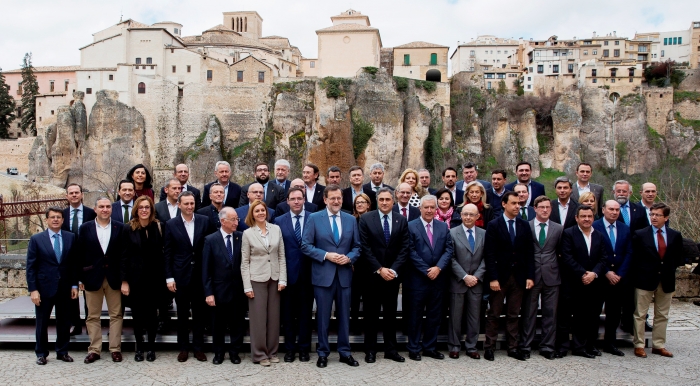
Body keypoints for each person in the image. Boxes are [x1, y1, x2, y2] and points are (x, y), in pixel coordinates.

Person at [301, 184, 361, 368]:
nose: (336, 201)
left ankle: (344, 352)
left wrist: (349, 258)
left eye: (339, 198)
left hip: (344, 276)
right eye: (332, 198)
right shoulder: (314, 218)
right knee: (323, 318)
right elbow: (305, 245)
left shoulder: (350, 219)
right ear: (325, 199)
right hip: (323, 276)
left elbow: (357, 247)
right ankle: (323, 353)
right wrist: (326, 255)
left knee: (344, 317)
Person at [359, 187, 410, 363]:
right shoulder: (366, 219)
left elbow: (405, 248)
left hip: (392, 277)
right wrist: (380, 269)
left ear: (393, 201)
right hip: (373, 276)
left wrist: (393, 270)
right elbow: (364, 247)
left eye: (388, 199)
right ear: (376, 201)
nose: (385, 202)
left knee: (390, 315)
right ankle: (370, 350)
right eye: (381, 200)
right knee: (371, 315)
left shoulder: (401, 220)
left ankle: (391, 350)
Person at [483, 191, 535, 361]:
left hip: (518, 277)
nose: (517, 206)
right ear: (504, 204)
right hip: (500, 277)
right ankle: (489, 347)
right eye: (513, 203)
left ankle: (512, 347)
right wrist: (493, 278)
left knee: (514, 314)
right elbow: (489, 254)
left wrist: (529, 276)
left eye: (519, 203)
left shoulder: (524, 225)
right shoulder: (494, 225)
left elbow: (529, 253)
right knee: (494, 314)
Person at [77, 197, 128, 364]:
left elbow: (123, 256)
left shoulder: (120, 228)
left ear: (111, 209)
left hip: (114, 279)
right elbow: (80, 254)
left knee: (116, 315)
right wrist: (81, 278)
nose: (105, 209)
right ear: (95, 209)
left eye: (108, 206)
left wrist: (123, 279)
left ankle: (115, 349)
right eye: (101, 207)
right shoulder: (85, 228)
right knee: (92, 316)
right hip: (92, 278)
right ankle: (94, 350)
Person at [27, 207, 79, 365]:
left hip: (64, 287)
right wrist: (33, 290)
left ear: (63, 220)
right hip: (43, 288)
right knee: (42, 322)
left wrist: (74, 285)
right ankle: (41, 353)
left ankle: (62, 351)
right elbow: (31, 267)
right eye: (52, 217)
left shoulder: (71, 237)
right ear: (47, 220)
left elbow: (73, 264)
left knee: (64, 322)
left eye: (58, 217)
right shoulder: (37, 239)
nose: (55, 219)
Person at [631, 203, 684, 358]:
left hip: (666, 280)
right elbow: (635, 258)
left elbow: (678, 257)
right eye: (652, 214)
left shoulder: (675, 235)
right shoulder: (640, 234)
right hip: (645, 279)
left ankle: (658, 345)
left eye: (657, 215)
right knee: (640, 314)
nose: (653, 217)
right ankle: (639, 344)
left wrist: (668, 269)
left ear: (666, 218)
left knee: (662, 314)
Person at [405, 195, 454, 361]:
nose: (429, 210)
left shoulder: (442, 227)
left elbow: (448, 250)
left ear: (436, 209)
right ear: (420, 208)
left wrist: (438, 268)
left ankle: (430, 347)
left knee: (435, 315)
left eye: (432, 207)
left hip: (438, 279)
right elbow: (410, 251)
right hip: (418, 280)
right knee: (415, 316)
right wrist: (426, 270)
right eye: (426, 207)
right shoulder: (411, 226)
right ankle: (413, 347)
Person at [164, 191, 210, 363]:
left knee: (199, 314)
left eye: (192, 203)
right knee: (182, 314)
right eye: (186, 204)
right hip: (180, 275)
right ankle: (183, 348)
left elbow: (209, 248)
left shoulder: (204, 221)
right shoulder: (171, 224)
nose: (190, 206)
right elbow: (167, 253)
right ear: (179, 205)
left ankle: (198, 348)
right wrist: (169, 277)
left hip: (200, 275)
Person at [241, 200, 287, 366]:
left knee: (274, 318)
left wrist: (282, 278)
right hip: (256, 280)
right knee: (258, 319)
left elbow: (281, 256)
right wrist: (247, 285)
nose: (260, 213)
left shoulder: (276, 229)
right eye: (257, 211)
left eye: (263, 210)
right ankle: (260, 354)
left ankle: (272, 352)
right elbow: (244, 262)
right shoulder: (247, 234)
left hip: (274, 279)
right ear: (252, 214)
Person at [560, 205, 608, 358]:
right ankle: (575, 347)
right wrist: (583, 273)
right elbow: (567, 257)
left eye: (589, 216)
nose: (586, 219)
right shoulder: (568, 234)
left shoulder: (599, 235)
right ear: (576, 218)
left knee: (591, 317)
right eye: (583, 216)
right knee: (571, 317)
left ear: (593, 218)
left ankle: (590, 345)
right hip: (574, 283)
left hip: (594, 283)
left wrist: (594, 274)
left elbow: (603, 258)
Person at [519, 196, 563, 360]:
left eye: (548, 207)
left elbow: (560, 252)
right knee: (529, 313)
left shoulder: (558, 228)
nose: (545, 210)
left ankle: (547, 346)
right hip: (532, 275)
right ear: (535, 208)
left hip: (552, 275)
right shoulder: (526, 226)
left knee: (550, 313)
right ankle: (525, 345)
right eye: (542, 207)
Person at [274, 187, 314, 363]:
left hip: (309, 274)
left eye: (299, 198)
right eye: (293, 199)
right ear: (287, 201)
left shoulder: (314, 219)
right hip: (287, 275)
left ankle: (304, 349)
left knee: (306, 315)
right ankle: (289, 349)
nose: (296, 201)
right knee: (288, 316)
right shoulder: (278, 221)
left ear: (304, 200)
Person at [123, 196, 165, 362]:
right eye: (141, 207)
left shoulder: (159, 226)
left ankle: (151, 348)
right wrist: (124, 280)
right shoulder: (128, 229)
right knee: (138, 316)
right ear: (136, 210)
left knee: (152, 317)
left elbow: (163, 254)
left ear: (151, 209)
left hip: (155, 279)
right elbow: (124, 256)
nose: (144, 210)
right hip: (136, 280)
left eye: (147, 207)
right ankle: (139, 347)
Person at [202, 207, 246, 365]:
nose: (236, 222)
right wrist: (209, 293)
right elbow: (206, 269)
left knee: (237, 324)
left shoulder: (241, 237)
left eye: (237, 219)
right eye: (233, 219)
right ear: (223, 221)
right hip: (218, 291)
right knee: (217, 325)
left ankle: (235, 352)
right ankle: (219, 353)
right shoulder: (210, 240)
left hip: (237, 290)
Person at [593, 200, 632, 356]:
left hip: (618, 279)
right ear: (603, 210)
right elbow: (594, 253)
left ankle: (610, 343)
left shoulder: (625, 229)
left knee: (614, 313)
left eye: (617, 210)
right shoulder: (595, 227)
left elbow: (629, 253)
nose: (614, 212)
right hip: (601, 277)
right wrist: (607, 272)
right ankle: (593, 343)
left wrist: (620, 274)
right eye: (611, 209)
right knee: (595, 312)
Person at [447, 204, 486, 360]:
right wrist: (464, 276)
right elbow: (450, 258)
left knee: (474, 317)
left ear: (477, 217)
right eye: (465, 214)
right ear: (461, 215)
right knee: (455, 316)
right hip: (459, 281)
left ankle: (471, 346)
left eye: (471, 215)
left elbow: (487, 257)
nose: (468, 217)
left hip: (477, 281)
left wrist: (476, 276)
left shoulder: (484, 234)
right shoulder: (452, 233)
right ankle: (455, 346)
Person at [61, 183, 96, 336]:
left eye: (77, 192)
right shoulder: (62, 214)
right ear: (67, 195)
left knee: (89, 294)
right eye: (71, 193)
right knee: (71, 294)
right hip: (69, 260)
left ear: (82, 194)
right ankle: (75, 324)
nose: (74, 195)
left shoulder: (91, 213)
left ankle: (90, 324)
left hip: (87, 258)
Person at [350, 193, 371, 333]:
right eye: (357, 203)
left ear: (368, 204)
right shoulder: (351, 221)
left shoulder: (373, 220)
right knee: (354, 297)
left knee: (369, 298)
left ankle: (368, 325)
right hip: (355, 265)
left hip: (370, 264)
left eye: (363, 202)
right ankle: (355, 325)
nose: (360, 205)